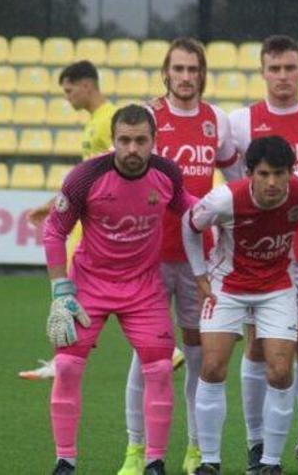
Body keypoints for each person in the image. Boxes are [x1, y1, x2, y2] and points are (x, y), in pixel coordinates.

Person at [42, 104, 191, 475]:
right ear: (113, 141)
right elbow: (53, 231)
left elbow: (187, 208)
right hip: (88, 287)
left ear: (154, 141)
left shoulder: (168, 173)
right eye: (124, 141)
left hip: (143, 289)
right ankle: (65, 460)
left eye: (141, 141)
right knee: (67, 367)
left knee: (158, 369)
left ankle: (155, 462)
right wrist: (61, 291)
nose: (132, 150)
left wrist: (221, 213)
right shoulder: (84, 178)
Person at [119, 37, 241, 475]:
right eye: (179, 69)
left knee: (196, 355)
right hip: (149, 256)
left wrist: (233, 221)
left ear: (202, 74)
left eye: (194, 70)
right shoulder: (148, 117)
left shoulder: (217, 121)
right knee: (146, 354)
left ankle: (194, 449)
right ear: (166, 73)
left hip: (198, 261)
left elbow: (236, 177)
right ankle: (137, 451)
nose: (186, 77)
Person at [227, 34, 298, 473]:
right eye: (274, 69)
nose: (282, 77)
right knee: (257, 347)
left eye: (290, 68)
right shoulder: (241, 122)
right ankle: (257, 442)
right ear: (262, 72)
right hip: (259, 254)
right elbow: (239, 184)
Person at [182, 136, 298, 475]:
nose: (272, 183)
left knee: (281, 371)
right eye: (264, 174)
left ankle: (270, 462)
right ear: (249, 172)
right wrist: (199, 275)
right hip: (228, 287)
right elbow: (190, 225)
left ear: (291, 172)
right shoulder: (225, 199)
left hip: (277, 288)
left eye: (280, 174)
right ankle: (210, 460)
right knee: (212, 367)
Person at [19, 60, 118, 381]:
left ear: (87, 85)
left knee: (74, 288)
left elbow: (119, 171)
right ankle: (61, 359)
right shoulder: (93, 123)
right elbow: (84, 178)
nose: (67, 97)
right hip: (87, 222)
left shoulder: (110, 120)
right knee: (81, 290)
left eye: (69, 89)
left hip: (101, 225)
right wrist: (51, 205)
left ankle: (61, 361)